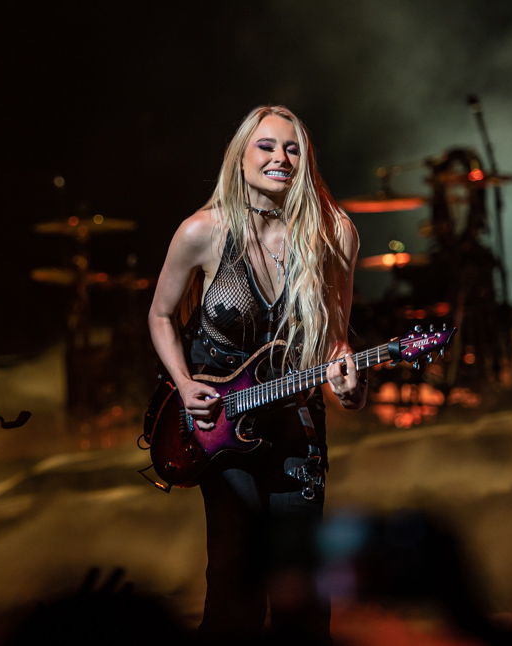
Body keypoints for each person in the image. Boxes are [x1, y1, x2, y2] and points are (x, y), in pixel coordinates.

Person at [148, 105, 366, 644]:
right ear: (240, 154)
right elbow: (160, 315)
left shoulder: (334, 232)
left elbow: (337, 332)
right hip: (221, 424)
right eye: (266, 146)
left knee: (302, 583)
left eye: (292, 148)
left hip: (296, 418)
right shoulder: (203, 231)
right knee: (233, 577)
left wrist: (347, 376)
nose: (280, 157)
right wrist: (183, 381)